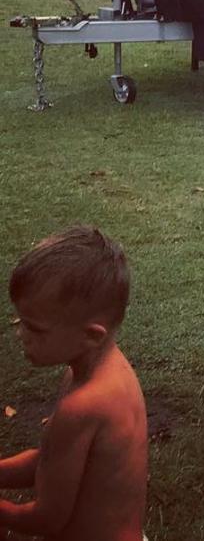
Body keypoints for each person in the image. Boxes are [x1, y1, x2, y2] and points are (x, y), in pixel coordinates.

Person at [0, 226, 148, 541]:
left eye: (34, 328)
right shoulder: (106, 371)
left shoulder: (83, 406)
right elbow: (50, 460)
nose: (20, 335)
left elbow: (47, 519)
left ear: (91, 335)